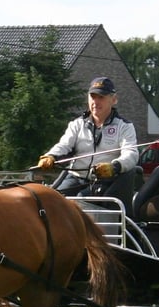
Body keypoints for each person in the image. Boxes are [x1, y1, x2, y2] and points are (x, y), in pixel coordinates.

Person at [37, 76, 139, 215]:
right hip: (75, 177)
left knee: (80, 201)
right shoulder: (77, 124)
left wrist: (114, 166)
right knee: (50, 200)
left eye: (101, 97)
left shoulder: (125, 126)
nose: (95, 102)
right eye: (93, 97)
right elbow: (64, 145)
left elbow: (131, 154)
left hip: (104, 181)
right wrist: (50, 156)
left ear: (114, 99)